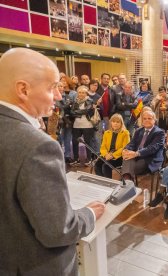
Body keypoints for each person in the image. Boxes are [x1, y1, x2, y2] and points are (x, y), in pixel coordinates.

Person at [0, 48, 105, 275]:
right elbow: (59, 230)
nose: (59, 96)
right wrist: (88, 214)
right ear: (23, 89)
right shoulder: (37, 145)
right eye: (52, 87)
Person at [121, 110, 165, 182]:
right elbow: (132, 143)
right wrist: (125, 150)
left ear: (154, 120)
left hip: (150, 159)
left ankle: (126, 181)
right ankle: (128, 181)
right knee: (127, 158)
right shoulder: (139, 130)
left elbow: (152, 148)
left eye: (149, 118)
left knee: (128, 166)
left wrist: (136, 153)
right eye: (144, 118)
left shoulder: (159, 132)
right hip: (136, 157)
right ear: (142, 120)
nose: (147, 120)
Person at [94, 114, 130, 178]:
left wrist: (112, 155)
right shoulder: (106, 133)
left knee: (106, 166)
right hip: (107, 155)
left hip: (119, 156)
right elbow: (103, 147)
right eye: (113, 122)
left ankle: (109, 184)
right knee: (97, 165)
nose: (115, 124)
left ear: (121, 123)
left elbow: (125, 147)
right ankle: (103, 182)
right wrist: (106, 155)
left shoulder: (125, 133)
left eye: (117, 122)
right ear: (111, 123)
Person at [70, 85, 96, 166]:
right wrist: (79, 112)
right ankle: (75, 159)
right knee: (75, 142)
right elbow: (71, 112)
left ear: (86, 93)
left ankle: (89, 159)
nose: (81, 94)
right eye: (79, 92)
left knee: (88, 142)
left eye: (83, 92)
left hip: (87, 125)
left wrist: (76, 112)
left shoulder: (90, 101)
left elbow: (87, 111)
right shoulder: (75, 101)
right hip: (76, 125)